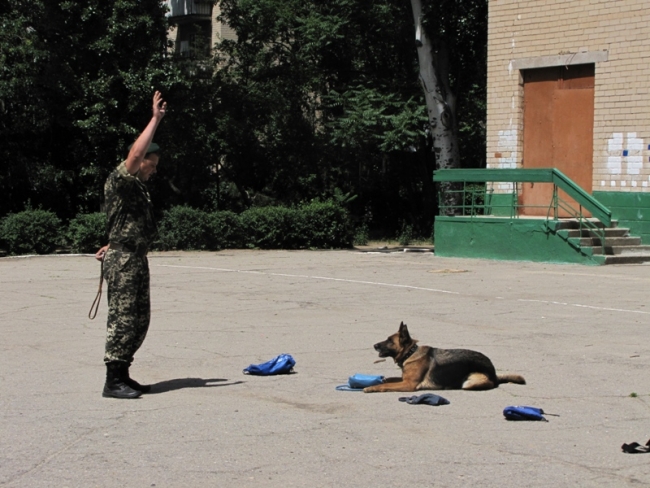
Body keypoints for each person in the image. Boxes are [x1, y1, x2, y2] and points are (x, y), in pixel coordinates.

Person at [95, 91, 167, 399]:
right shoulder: (120, 179)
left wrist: (112, 242)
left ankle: (123, 373)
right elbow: (135, 157)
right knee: (122, 320)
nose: (154, 169)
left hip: (135, 258)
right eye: (152, 164)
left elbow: (124, 222)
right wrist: (155, 119)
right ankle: (112, 381)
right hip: (124, 262)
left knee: (139, 320)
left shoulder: (137, 189)